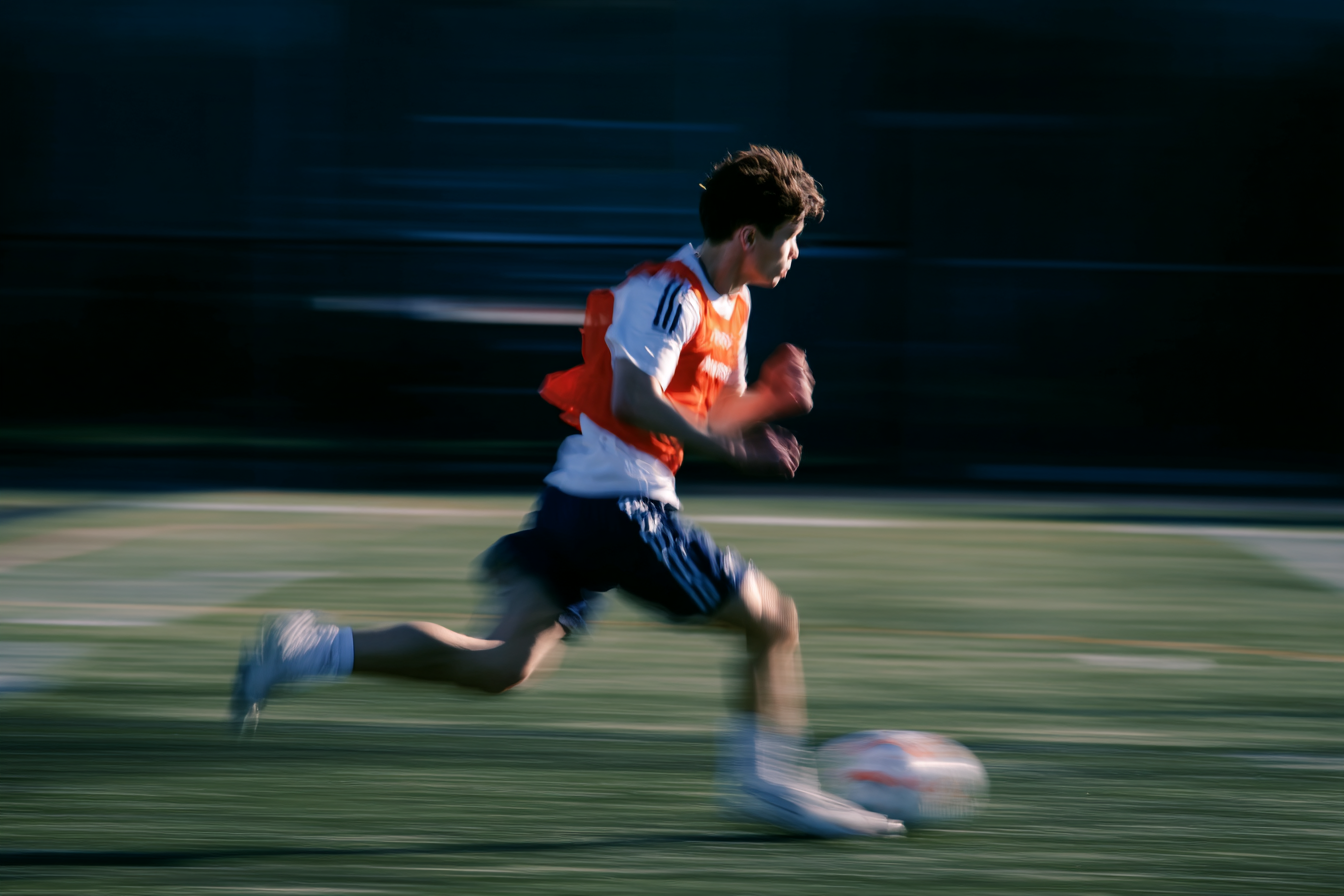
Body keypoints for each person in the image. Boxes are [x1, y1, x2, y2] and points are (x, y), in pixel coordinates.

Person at [230, 146, 903, 838]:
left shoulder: (732, 305)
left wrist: (763, 402)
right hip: (621, 507)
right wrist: (733, 447)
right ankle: (772, 784)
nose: (796, 254)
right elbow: (633, 399)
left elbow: (705, 414)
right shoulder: (669, 293)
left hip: (578, 504)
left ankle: (309, 649)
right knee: (773, 620)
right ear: (747, 237)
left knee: (502, 665)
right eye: (791, 239)